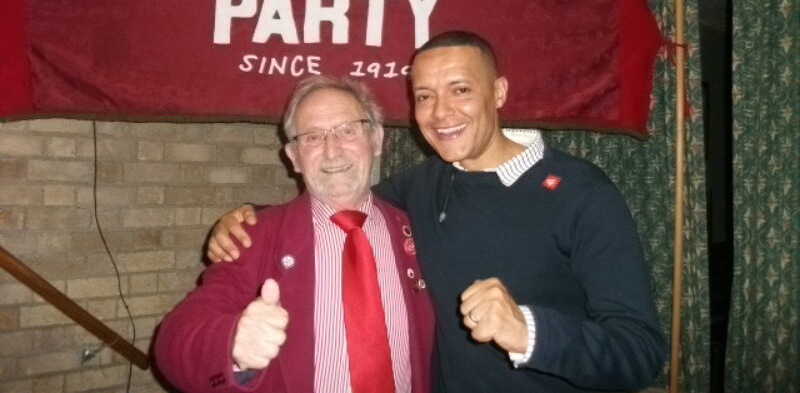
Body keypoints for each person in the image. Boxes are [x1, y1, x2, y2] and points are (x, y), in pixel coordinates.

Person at [208, 31, 667, 392]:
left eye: (460, 89)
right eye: (424, 95)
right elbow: (341, 199)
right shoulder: (426, 183)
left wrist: (529, 331)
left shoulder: (581, 194)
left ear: (499, 92)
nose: (441, 112)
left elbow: (640, 353)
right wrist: (251, 216)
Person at [153, 76, 434, 393]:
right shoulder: (254, 237)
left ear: (377, 139)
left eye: (347, 130)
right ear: (294, 157)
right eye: (312, 137)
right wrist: (230, 343)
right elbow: (171, 343)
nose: (332, 150)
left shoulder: (420, 232)